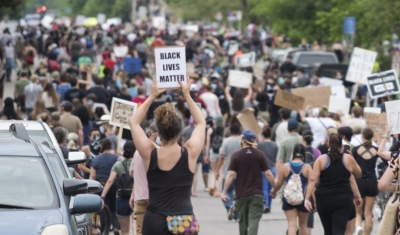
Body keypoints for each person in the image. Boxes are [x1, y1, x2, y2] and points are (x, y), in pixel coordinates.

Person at [129, 77, 205, 235]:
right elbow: (201, 123)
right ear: (180, 131)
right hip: (183, 219)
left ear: (158, 131)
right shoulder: (189, 152)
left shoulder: (149, 153)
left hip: (155, 219)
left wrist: (151, 96)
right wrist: (187, 95)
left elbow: (134, 122)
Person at [304, 133, 362, 235]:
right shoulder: (348, 158)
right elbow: (357, 175)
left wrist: (307, 199)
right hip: (343, 198)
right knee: (339, 230)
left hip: (324, 199)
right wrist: (358, 196)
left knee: (328, 231)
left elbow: (313, 180)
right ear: (342, 146)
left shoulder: (321, 159)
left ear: (328, 145)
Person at [222, 129, 276, 235]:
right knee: (254, 220)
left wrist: (224, 191)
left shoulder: (236, 155)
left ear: (243, 140)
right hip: (257, 195)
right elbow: (268, 173)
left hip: (241, 194)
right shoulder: (260, 155)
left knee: (243, 222)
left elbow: (231, 174)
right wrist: (275, 187)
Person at [352, 128, 390, 235]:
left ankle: (358, 226)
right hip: (372, 181)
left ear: (362, 136)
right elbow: (388, 163)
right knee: (368, 213)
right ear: (372, 136)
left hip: (359, 182)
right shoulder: (377, 150)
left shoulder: (355, 150)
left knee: (358, 212)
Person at [270, 144, 312, 235]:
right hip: (303, 199)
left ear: (293, 153)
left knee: (292, 224)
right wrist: (314, 200)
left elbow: (279, 184)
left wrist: (274, 192)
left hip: (289, 198)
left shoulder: (285, 167)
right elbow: (312, 185)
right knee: (303, 225)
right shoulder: (307, 167)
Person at [129, 123, 160, 235]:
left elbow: (133, 174)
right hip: (155, 197)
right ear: (152, 132)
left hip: (140, 197)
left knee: (140, 230)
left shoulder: (137, 152)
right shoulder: (158, 150)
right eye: (159, 132)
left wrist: (133, 194)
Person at [101, 141, 136, 235]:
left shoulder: (118, 165)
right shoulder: (138, 164)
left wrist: (102, 197)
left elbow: (110, 181)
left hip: (121, 197)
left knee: (124, 231)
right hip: (137, 197)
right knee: (136, 227)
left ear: (124, 150)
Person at [90, 138, 120, 234]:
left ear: (101, 147)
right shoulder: (116, 158)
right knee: (114, 207)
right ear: (111, 147)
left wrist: (90, 189)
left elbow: (93, 176)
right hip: (114, 184)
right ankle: (116, 226)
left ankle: (104, 229)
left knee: (103, 208)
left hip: (101, 185)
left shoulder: (96, 159)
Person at [216, 123, 242, 221]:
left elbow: (222, 156)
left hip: (228, 172)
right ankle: (237, 213)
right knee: (239, 193)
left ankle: (229, 206)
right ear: (240, 131)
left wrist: (218, 170)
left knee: (227, 192)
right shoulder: (242, 141)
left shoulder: (226, 141)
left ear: (230, 131)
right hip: (241, 172)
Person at [257, 126, 278, 213]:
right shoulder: (275, 145)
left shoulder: (260, 145)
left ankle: (265, 204)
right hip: (273, 167)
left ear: (263, 134)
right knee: (271, 188)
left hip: (263, 168)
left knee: (264, 187)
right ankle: (269, 205)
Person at [205, 115, 224, 197]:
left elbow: (207, 144)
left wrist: (206, 155)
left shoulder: (210, 130)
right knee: (220, 172)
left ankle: (212, 185)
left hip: (212, 151)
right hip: (221, 152)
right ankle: (218, 191)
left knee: (213, 171)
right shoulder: (223, 130)